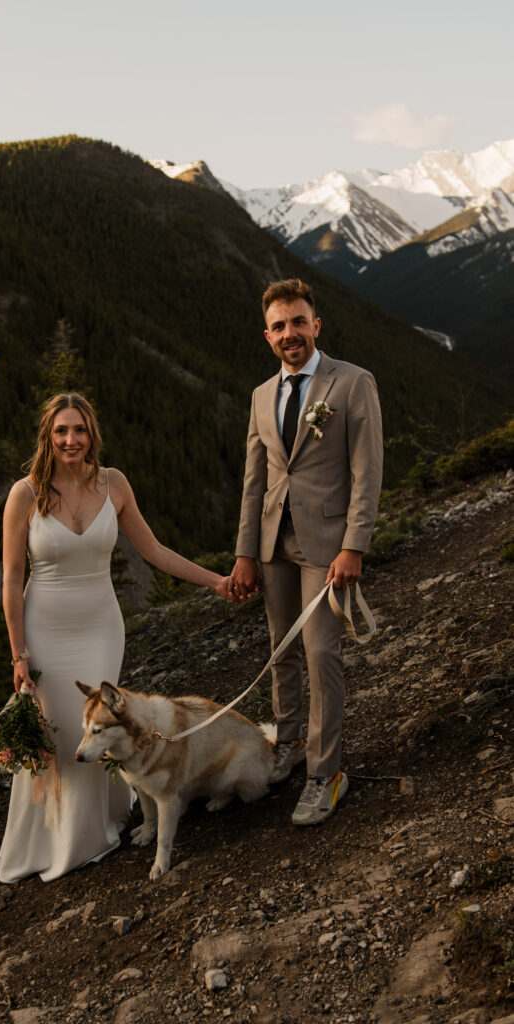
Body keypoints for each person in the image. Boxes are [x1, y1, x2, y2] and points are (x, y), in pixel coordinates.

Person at [0, 392, 232, 882]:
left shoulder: (115, 484)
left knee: (97, 729)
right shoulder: (25, 494)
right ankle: (55, 840)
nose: (70, 440)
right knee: (59, 733)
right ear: (48, 436)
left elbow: (154, 551)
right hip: (45, 628)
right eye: (61, 431)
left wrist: (216, 580)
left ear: (92, 434)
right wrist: (19, 653)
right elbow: (11, 583)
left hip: (102, 627)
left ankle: (101, 826)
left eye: (79, 430)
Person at [229, 279, 383, 826]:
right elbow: (255, 481)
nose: (289, 334)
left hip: (327, 547)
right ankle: (288, 741)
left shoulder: (353, 382)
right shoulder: (260, 395)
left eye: (298, 322)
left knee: (320, 654)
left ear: (315, 325)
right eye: (279, 326)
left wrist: (353, 546)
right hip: (272, 544)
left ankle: (326, 773)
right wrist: (246, 552)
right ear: (267, 335)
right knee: (280, 650)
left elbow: (368, 472)